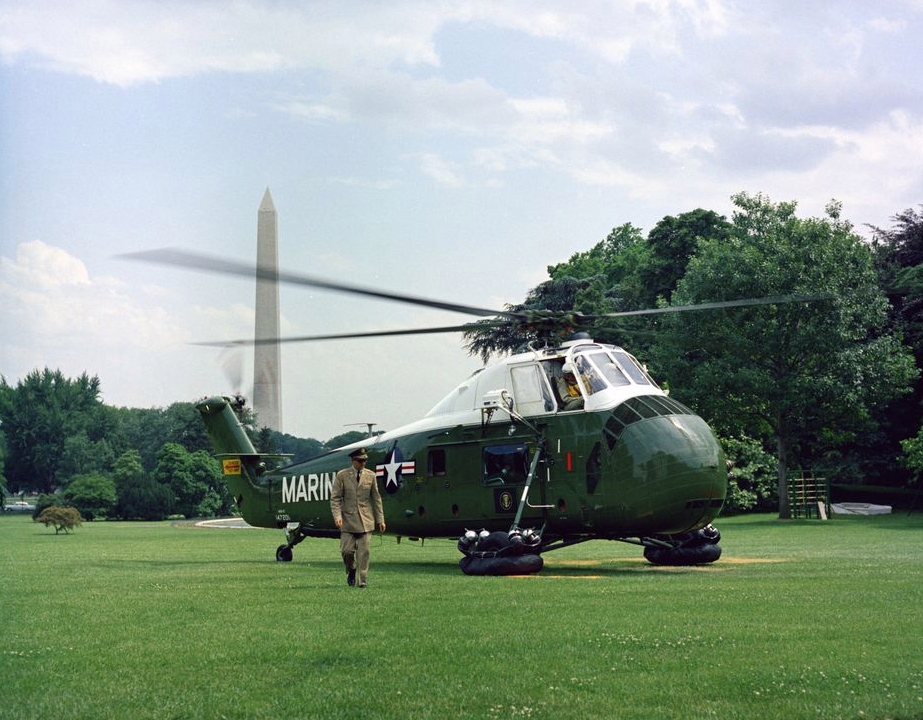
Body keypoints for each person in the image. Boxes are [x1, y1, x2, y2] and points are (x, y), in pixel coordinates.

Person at [330, 447, 386, 588]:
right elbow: (335, 498)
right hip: (348, 520)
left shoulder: (371, 475)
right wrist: (337, 516)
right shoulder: (342, 475)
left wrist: (380, 519)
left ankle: (362, 581)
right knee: (347, 551)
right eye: (360, 461)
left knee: (363, 553)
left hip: (366, 520)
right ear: (353, 461)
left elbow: (376, 498)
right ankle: (351, 569)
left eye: (365, 461)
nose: (363, 463)